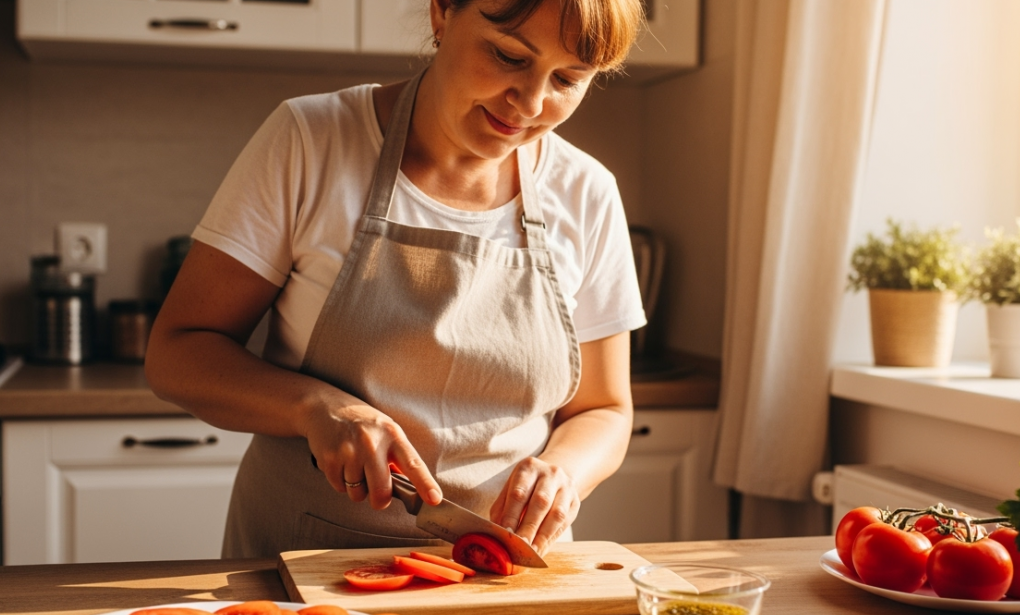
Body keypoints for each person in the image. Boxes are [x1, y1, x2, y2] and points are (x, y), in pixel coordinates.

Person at [145, 0, 647, 561]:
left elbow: (605, 410)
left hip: (502, 570)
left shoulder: (587, 192)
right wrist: (315, 407)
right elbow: (177, 353)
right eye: (508, 56)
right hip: (302, 563)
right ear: (442, 13)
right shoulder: (311, 141)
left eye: (567, 79)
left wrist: (564, 473)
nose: (530, 103)